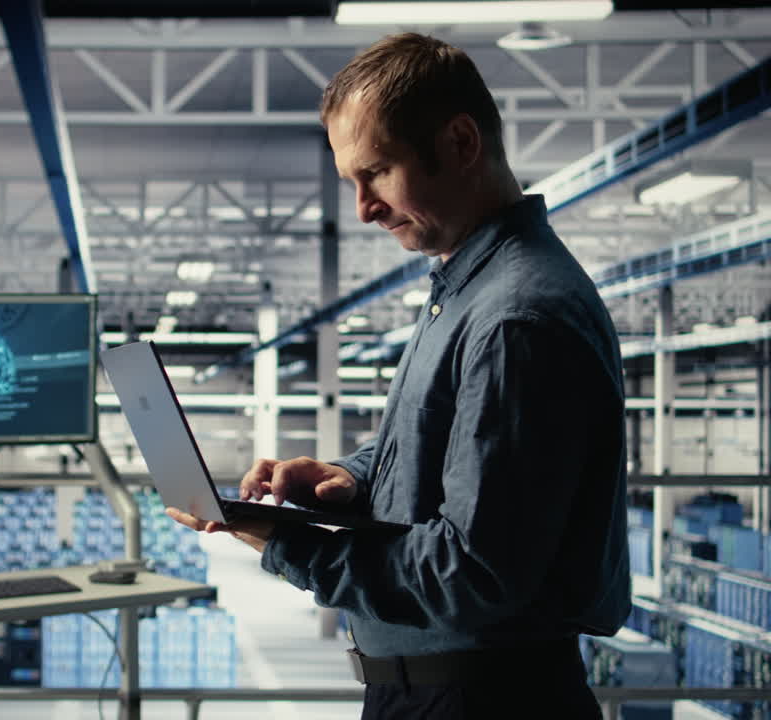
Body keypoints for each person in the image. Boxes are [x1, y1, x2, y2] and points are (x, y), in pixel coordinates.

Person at [166, 33, 630, 719]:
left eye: (377, 172)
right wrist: (346, 482)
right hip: (438, 690)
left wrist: (285, 543)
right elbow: (432, 448)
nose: (363, 208)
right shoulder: (468, 291)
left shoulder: (516, 319)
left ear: (461, 143)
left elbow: (472, 574)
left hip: (479, 700)